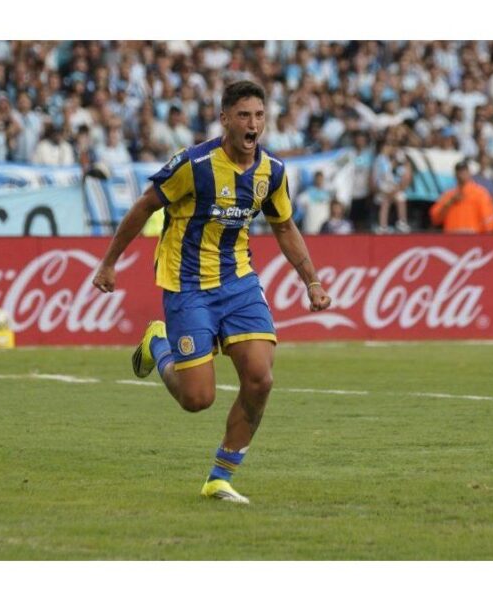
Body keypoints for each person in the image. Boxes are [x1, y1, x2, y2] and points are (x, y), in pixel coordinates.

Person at [91, 80, 332, 505]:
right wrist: (109, 262)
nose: (252, 123)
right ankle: (158, 342)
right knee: (197, 398)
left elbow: (284, 225)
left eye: (258, 115)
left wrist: (310, 279)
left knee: (260, 378)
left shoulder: (272, 172)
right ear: (225, 119)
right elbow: (145, 206)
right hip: (187, 286)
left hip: (239, 282)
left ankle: (220, 477)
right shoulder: (195, 164)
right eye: (243, 115)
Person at [430, 161, 493, 234]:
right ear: (455, 174)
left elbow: (490, 223)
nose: (461, 174)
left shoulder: (480, 194)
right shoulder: (449, 195)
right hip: (451, 239)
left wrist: (483, 239)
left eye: (464, 171)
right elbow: (435, 218)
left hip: (473, 239)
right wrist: (450, 202)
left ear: (469, 173)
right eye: (459, 171)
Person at [296, 170, 332, 235]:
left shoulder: (327, 195)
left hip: (324, 223)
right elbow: (299, 205)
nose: (319, 181)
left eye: (321, 179)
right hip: (310, 224)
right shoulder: (306, 194)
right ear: (314, 179)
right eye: (318, 179)